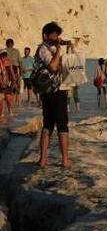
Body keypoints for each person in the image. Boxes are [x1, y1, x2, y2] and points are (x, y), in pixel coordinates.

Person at [35, 22, 71, 168]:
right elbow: (53, 66)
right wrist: (58, 50)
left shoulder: (50, 48)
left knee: (48, 124)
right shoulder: (43, 49)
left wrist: (68, 48)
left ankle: (42, 160)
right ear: (45, 36)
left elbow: (67, 64)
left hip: (53, 90)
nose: (57, 38)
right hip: (54, 91)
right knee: (62, 125)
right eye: (54, 35)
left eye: (58, 35)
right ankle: (65, 160)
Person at [0, 49, 17, 121]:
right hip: (0, 83)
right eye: (2, 55)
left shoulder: (8, 61)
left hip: (6, 82)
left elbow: (12, 72)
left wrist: (14, 82)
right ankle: (1, 115)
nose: (4, 57)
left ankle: (10, 112)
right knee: (0, 99)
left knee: (9, 98)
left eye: (5, 55)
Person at [5, 39, 21, 105]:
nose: (10, 44)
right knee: (8, 83)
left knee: (15, 83)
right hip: (7, 68)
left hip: (14, 68)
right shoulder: (4, 51)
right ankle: (9, 98)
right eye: (9, 43)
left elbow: (20, 61)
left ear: (13, 44)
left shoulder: (16, 51)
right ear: (6, 44)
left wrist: (21, 69)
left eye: (11, 43)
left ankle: (15, 99)